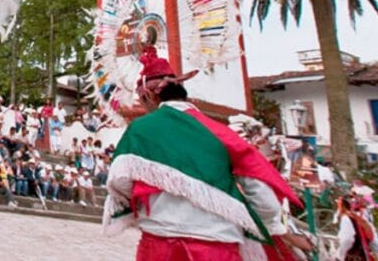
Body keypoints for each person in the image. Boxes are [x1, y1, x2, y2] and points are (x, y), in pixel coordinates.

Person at [103, 46, 312, 260]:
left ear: (148, 95)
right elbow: (263, 196)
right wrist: (262, 224)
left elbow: (119, 181)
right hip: (219, 246)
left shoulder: (141, 129)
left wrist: (144, 201)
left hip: (161, 245)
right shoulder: (221, 132)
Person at [337, 194, 377, 261]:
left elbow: (347, 240)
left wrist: (339, 256)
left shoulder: (347, 218)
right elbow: (373, 240)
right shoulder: (364, 220)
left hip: (353, 257)